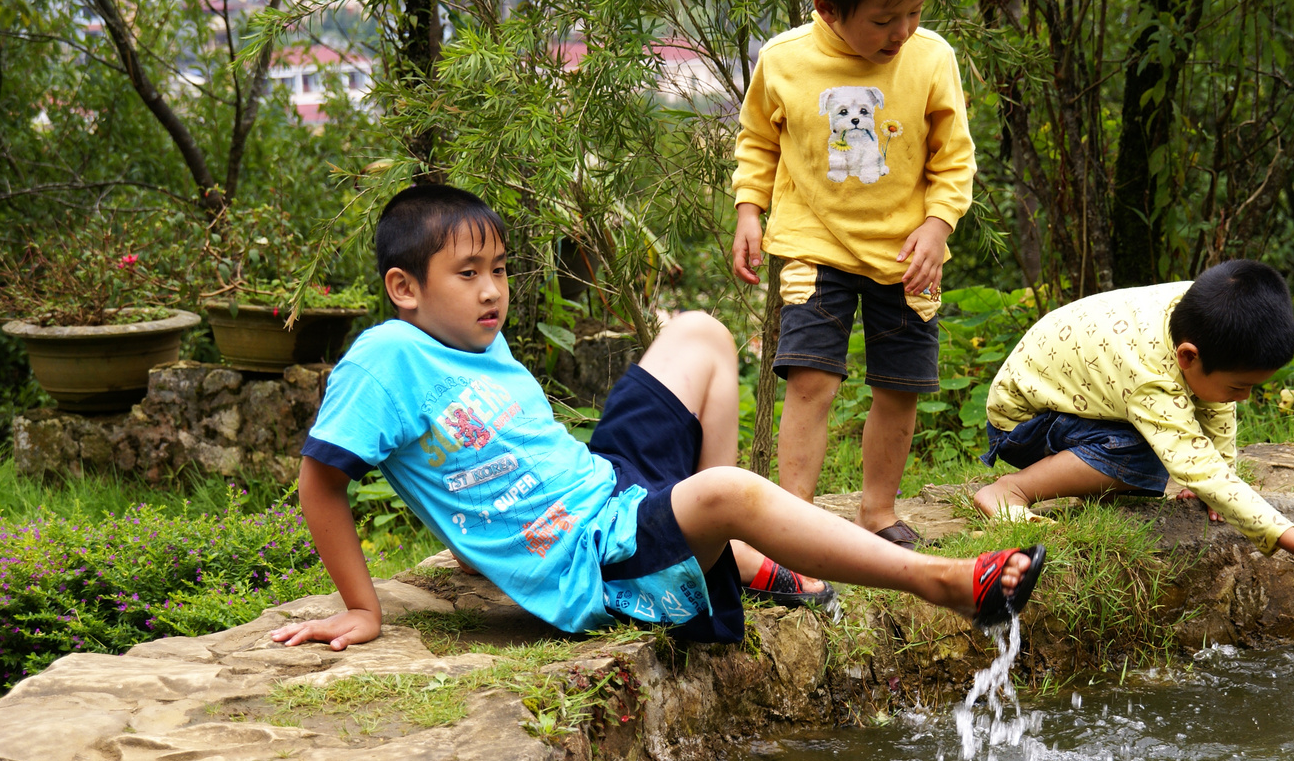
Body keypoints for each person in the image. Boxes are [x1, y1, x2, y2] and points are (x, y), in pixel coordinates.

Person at [270, 184, 1045, 653]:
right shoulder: (385, 359)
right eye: (467, 274)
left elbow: (486, 459)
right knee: (730, 491)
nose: (491, 292)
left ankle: (727, 554)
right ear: (404, 288)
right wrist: (363, 609)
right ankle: (936, 583)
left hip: (608, 493)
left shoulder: (473, 339)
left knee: (701, 332)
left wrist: (473, 545)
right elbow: (320, 480)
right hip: (591, 557)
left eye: (499, 271)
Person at [730, 0, 974, 552]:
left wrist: (938, 225)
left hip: (907, 257)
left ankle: (876, 512)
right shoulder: (783, 60)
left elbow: (955, 158)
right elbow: (756, 142)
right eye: (883, 20)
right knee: (811, 380)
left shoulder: (930, 58)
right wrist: (748, 211)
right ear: (826, 7)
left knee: (900, 387)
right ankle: (792, 524)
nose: (901, 32)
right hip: (814, 247)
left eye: (914, 13)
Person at [974, 260, 1294, 585]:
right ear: (1187, 356)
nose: (1245, 398)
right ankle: (1009, 492)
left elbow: (1214, 403)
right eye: (1240, 385)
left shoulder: (1202, 313)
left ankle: (1088, 476)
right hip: (1023, 427)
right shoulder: (1150, 374)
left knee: (1176, 433)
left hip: (1077, 407)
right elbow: (1196, 465)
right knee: (1147, 454)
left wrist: (1220, 480)